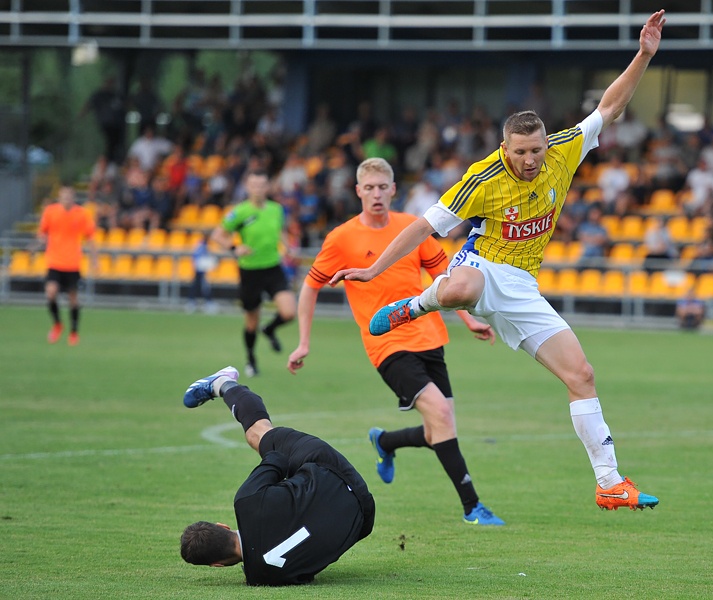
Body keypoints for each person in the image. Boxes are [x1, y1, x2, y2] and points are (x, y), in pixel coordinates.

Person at [330, 11, 667, 512]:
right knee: (462, 289)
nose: (530, 160)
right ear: (504, 147)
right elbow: (424, 227)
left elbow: (610, 106)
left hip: (522, 287)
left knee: (582, 375)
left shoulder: (563, 150)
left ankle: (609, 482)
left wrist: (643, 54)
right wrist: (376, 269)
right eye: (520, 152)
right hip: (480, 265)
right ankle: (414, 305)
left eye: (536, 150)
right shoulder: (483, 178)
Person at [287, 158, 504, 525]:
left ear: (393, 190)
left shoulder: (412, 230)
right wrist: (303, 342)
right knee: (442, 413)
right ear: (358, 191)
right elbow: (310, 289)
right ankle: (472, 507)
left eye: (382, 187)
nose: (376, 194)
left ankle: (385, 442)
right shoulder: (341, 239)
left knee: (441, 428)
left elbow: (446, 276)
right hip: (386, 343)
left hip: (431, 335)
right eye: (368, 188)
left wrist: (469, 320)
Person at [180, 366, 375, 586]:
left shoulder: (261, 578)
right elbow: (278, 458)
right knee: (258, 434)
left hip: (363, 516)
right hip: (330, 469)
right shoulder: (246, 501)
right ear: (222, 526)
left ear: (218, 565)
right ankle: (222, 383)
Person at [211, 170, 296, 377]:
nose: (258, 189)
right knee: (251, 321)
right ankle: (250, 358)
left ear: (268, 187)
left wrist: (288, 246)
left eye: (262, 185)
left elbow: (281, 230)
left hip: (273, 267)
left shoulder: (276, 209)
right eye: (254, 185)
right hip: (250, 271)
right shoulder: (239, 212)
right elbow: (218, 235)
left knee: (289, 312)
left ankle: (270, 329)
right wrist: (234, 248)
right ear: (248, 187)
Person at [36, 183, 98, 346]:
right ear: (60, 197)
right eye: (63, 195)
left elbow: (90, 237)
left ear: (73, 197)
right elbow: (42, 232)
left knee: (73, 299)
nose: (66, 198)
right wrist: (40, 241)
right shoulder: (51, 211)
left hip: (72, 263)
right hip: (54, 261)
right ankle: (57, 323)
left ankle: (74, 332)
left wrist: (94, 259)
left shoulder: (82, 214)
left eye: (69, 195)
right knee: (50, 292)